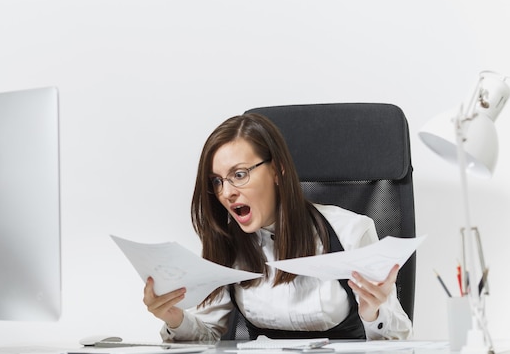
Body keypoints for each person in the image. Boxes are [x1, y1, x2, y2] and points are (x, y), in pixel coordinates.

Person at [143, 113, 413, 342]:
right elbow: (209, 334)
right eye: (217, 181)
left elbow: (400, 341)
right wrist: (174, 318)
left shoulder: (350, 230)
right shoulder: (227, 243)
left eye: (239, 175)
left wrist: (374, 313)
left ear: (277, 170)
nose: (226, 193)